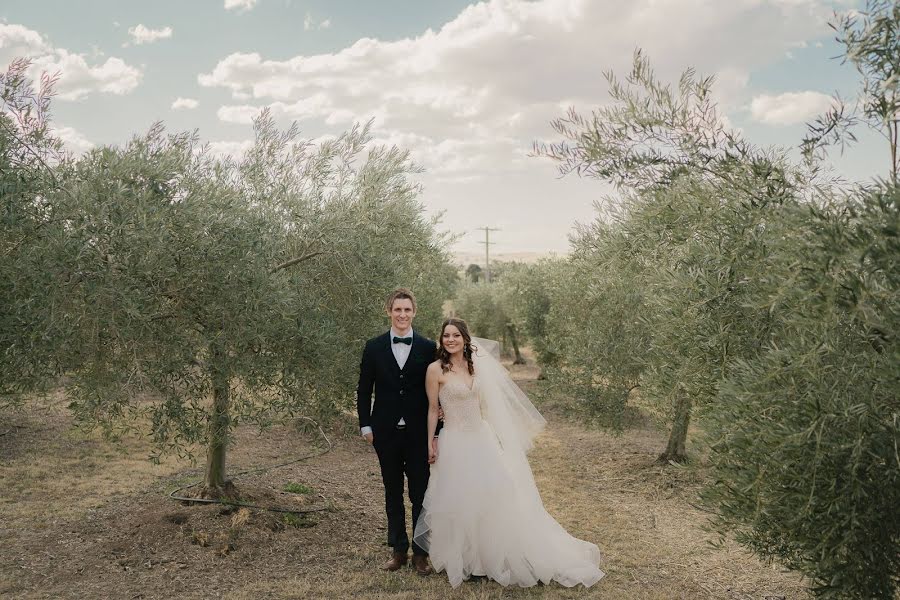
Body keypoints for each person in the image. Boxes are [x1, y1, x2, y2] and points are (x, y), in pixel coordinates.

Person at [413, 318, 605, 588]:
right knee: (458, 500)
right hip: (453, 441)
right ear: (441, 340)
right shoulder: (435, 370)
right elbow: (433, 409)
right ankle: (463, 559)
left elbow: (492, 403)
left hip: (481, 439)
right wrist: (431, 442)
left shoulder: (475, 366)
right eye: (446, 336)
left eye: (456, 335)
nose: (451, 340)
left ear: (465, 339)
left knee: (491, 497)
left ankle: (485, 559)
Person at [356, 288, 438, 575]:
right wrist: (365, 425)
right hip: (385, 433)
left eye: (407, 310)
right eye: (397, 309)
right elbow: (364, 390)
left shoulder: (429, 348)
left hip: (418, 434)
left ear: (414, 312)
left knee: (420, 493)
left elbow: (437, 394)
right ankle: (398, 550)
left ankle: (421, 553)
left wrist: (436, 433)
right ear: (389, 311)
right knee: (392, 492)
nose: (402, 314)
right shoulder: (373, 347)